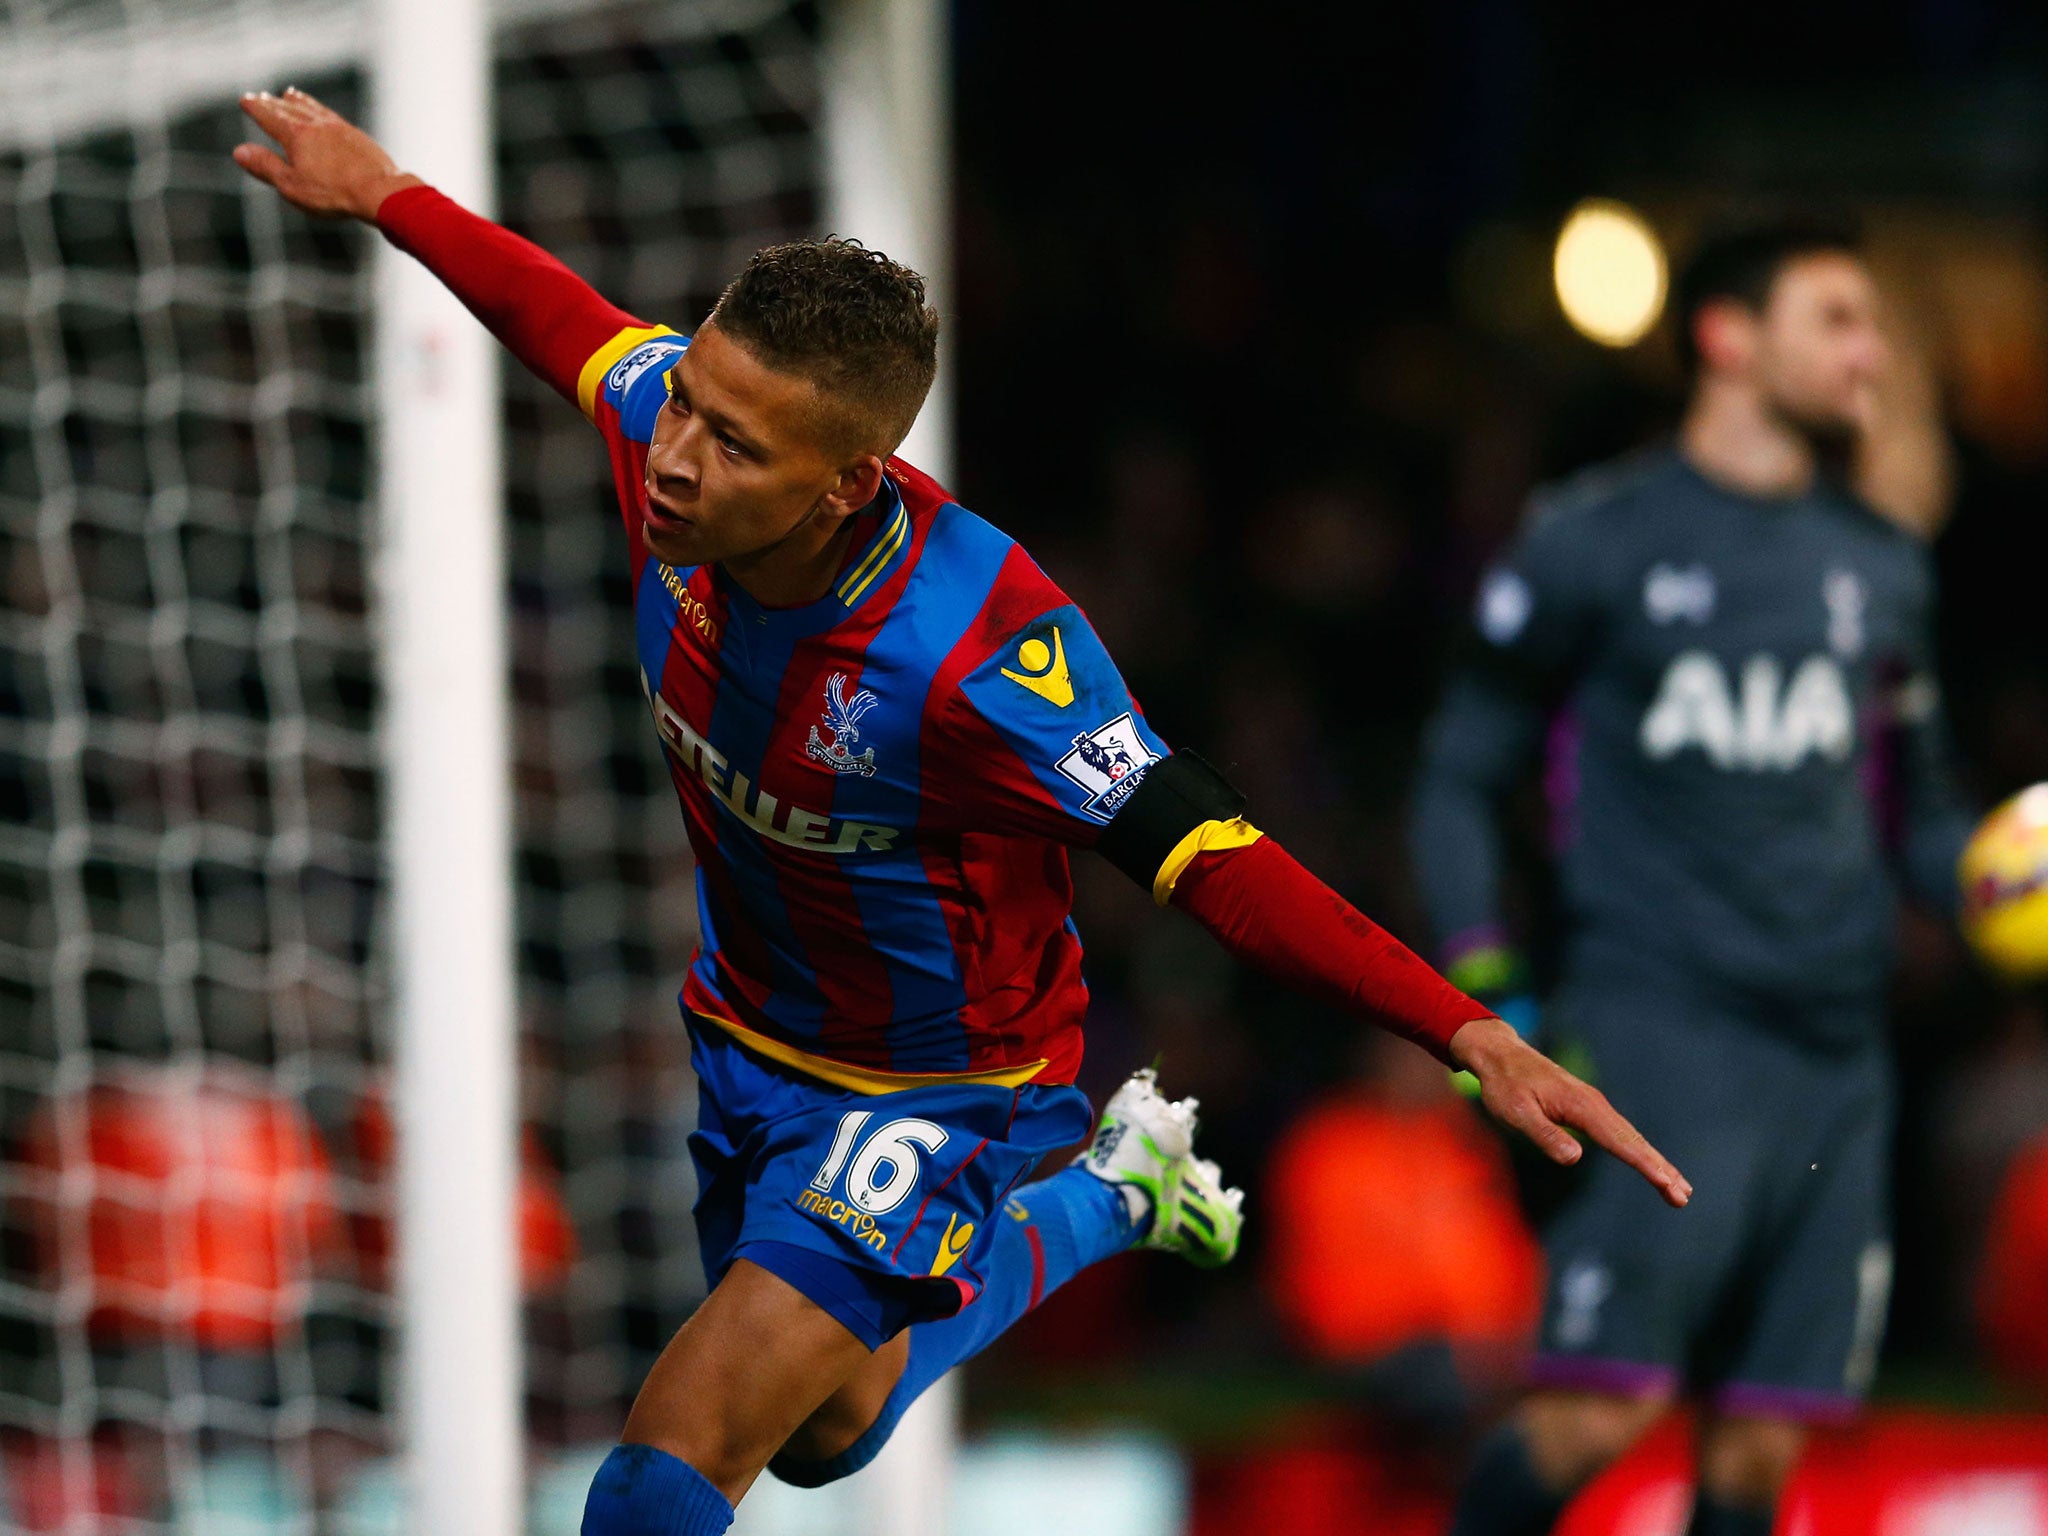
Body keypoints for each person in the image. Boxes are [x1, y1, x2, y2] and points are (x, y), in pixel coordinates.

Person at [232, 88, 1688, 1536]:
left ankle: (1064, 1174)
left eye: (735, 443)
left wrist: (1468, 1031)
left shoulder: (981, 653)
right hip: (747, 1032)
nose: (674, 454)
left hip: (939, 1083)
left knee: (664, 1464)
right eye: (687, 400)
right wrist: (387, 193)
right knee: (827, 1433)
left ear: (846, 485)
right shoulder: (667, 446)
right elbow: (562, 317)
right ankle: (1114, 1193)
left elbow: (1218, 862)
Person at [1413, 213, 1975, 1536]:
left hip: (1840, 1058)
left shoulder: (1879, 563)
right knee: (1594, 1409)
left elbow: (1927, 815)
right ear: (1729, 338)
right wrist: (1489, 990)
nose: (1871, 351)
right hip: (1664, 1031)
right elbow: (1457, 776)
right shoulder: (1593, 539)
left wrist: (2008, 900)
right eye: (1838, 319)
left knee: (1761, 1451)